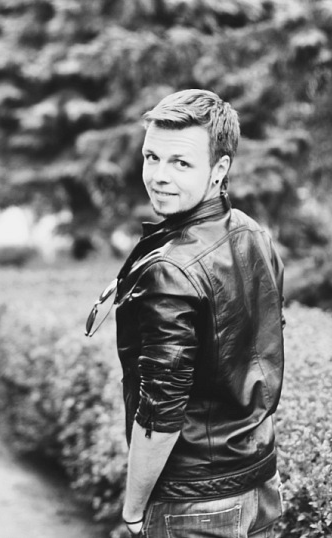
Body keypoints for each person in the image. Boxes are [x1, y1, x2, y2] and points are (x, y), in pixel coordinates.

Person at [89, 89, 285, 537]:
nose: (159, 176)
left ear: (219, 169)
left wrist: (134, 510)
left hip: (194, 503)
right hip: (259, 483)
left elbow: (160, 413)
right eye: (151, 157)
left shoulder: (170, 271)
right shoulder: (253, 234)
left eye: (180, 163)